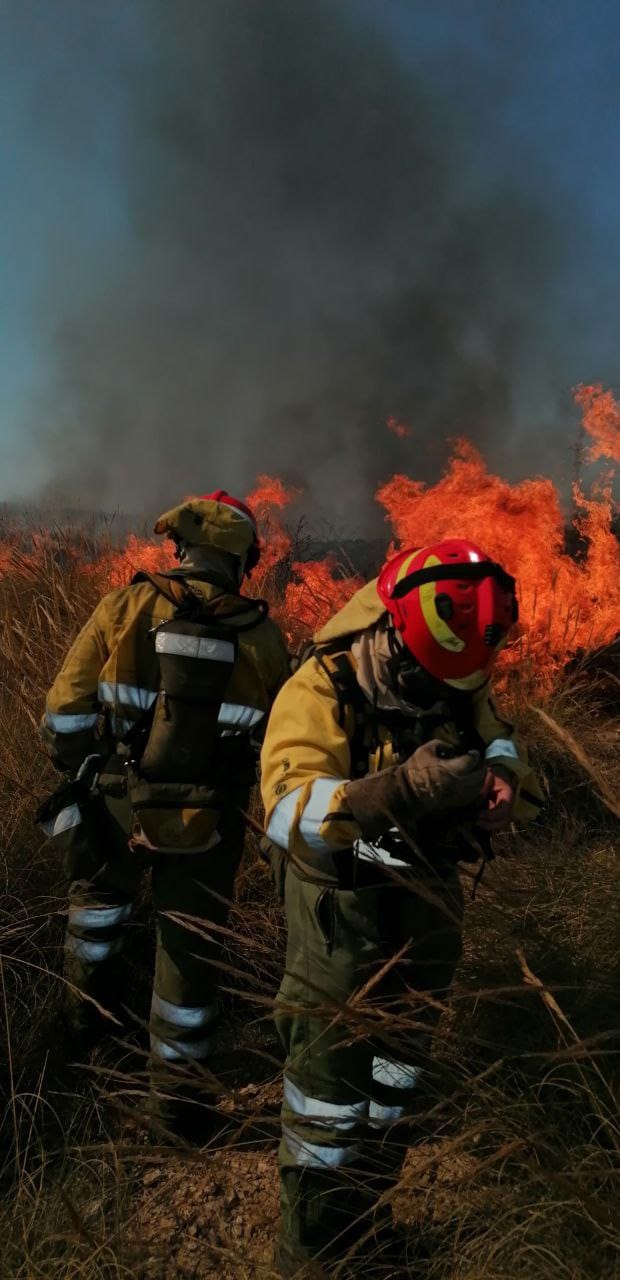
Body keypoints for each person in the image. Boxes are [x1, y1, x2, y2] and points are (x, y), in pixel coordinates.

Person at [260, 539, 543, 1277]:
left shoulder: (457, 672)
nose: (433, 697)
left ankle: (364, 1216)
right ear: (392, 632)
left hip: (425, 906)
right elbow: (288, 819)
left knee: (395, 1076)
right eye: (417, 678)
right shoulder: (319, 689)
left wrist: (503, 780)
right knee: (329, 1095)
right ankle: (313, 1252)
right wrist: (399, 793)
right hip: (340, 910)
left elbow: (498, 734)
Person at [40, 490, 289, 1135]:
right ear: (244, 562)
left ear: (179, 548)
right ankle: (176, 1111)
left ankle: (83, 1050)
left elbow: (62, 717)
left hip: (120, 806)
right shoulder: (261, 636)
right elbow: (279, 745)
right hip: (209, 824)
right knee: (190, 949)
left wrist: (93, 769)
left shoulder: (123, 606)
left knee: (96, 915)